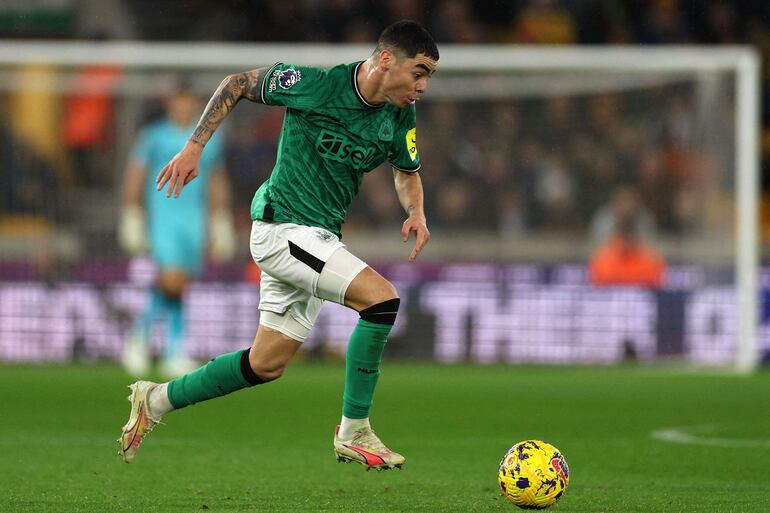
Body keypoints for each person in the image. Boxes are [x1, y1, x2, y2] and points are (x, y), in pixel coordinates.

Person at [118, 20, 438, 471]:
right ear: (387, 59)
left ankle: (155, 400)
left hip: (318, 237)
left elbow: (407, 171)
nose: (423, 86)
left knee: (265, 364)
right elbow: (237, 84)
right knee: (382, 300)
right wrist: (194, 147)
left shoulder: (399, 114)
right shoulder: (317, 84)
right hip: (283, 228)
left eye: (429, 77)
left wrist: (416, 211)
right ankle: (355, 429)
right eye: (420, 72)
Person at [118, 82, 236, 378]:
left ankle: (163, 347)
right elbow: (136, 173)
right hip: (164, 217)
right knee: (171, 280)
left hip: (193, 220)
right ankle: (149, 341)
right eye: (178, 100)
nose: (183, 106)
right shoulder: (153, 136)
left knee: (180, 284)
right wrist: (132, 213)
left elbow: (217, 179)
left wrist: (220, 220)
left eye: (189, 100)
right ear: (170, 102)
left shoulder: (209, 139)